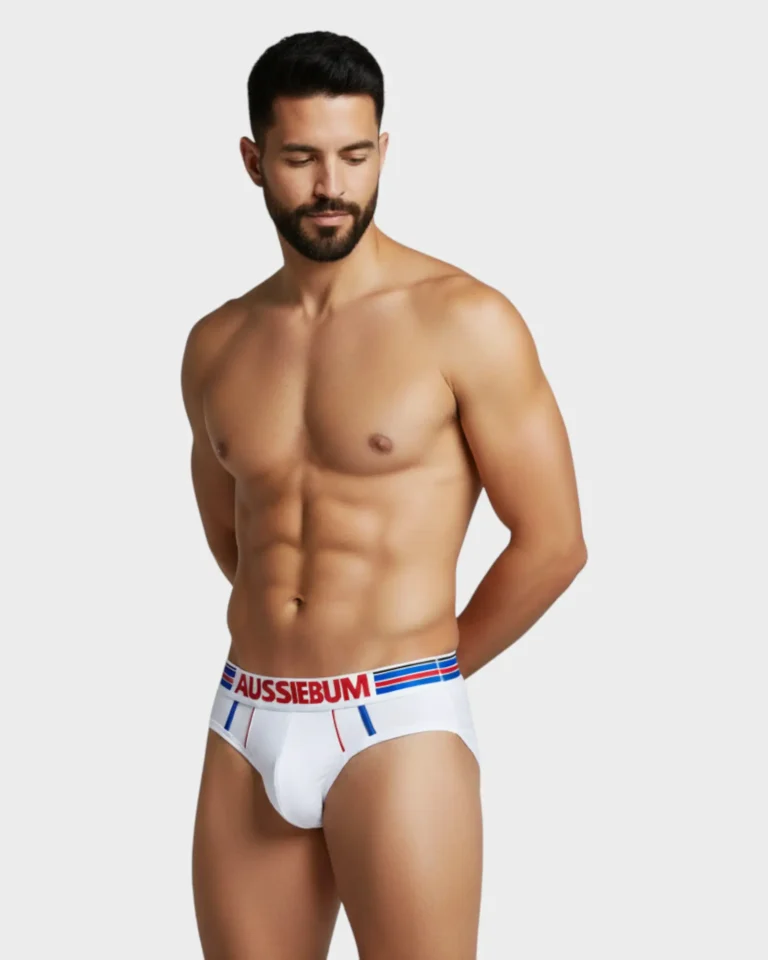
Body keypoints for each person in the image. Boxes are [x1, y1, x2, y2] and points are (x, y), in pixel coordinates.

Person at [181, 29, 587, 960]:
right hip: (246, 720)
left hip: (395, 723)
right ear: (254, 161)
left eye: (355, 155)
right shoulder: (217, 343)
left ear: (383, 151)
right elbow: (234, 533)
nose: (332, 184)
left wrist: (424, 671)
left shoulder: (464, 319)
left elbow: (554, 541)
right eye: (301, 158)